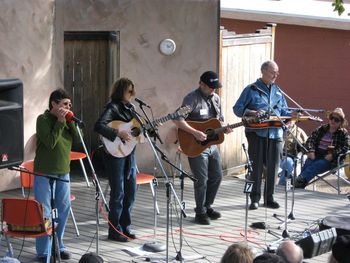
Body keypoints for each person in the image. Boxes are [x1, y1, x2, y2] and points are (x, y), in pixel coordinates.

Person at [174, 71, 232, 225]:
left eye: (215, 87)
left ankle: (207, 206)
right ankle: (199, 212)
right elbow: (177, 119)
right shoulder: (191, 99)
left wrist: (225, 128)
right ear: (201, 84)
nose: (213, 90)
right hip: (195, 144)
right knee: (201, 180)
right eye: (211, 87)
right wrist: (195, 132)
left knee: (217, 176)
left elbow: (219, 121)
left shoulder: (216, 99)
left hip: (211, 144)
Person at [233, 60, 290, 210]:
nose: (276, 75)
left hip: (276, 134)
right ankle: (255, 198)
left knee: (273, 167)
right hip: (257, 133)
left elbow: (285, 113)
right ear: (263, 71)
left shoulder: (278, 91)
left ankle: (269, 198)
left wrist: (293, 117)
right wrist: (252, 112)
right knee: (256, 168)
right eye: (273, 72)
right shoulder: (251, 89)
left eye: (277, 72)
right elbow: (237, 109)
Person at [34, 89, 79, 262]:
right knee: (44, 211)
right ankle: (43, 250)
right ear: (54, 104)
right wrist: (60, 122)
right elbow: (50, 142)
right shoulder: (43, 119)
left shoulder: (67, 121)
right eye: (65, 104)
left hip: (63, 171)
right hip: (44, 171)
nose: (68, 107)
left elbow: (77, 138)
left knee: (63, 207)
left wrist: (70, 122)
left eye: (69, 104)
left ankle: (58, 244)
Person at [94, 77, 137, 242]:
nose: (132, 94)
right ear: (121, 91)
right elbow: (98, 125)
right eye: (129, 91)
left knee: (131, 191)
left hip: (129, 154)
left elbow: (134, 131)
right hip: (114, 156)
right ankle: (114, 230)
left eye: (133, 91)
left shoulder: (131, 108)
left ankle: (126, 227)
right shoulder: (112, 107)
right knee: (118, 192)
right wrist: (118, 133)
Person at [295, 108, 349, 188]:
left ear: (340, 122)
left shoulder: (343, 133)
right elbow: (311, 140)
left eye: (336, 120)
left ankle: (298, 182)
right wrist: (311, 151)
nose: (333, 121)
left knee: (317, 165)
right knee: (309, 162)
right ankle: (299, 184)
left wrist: (333, 155)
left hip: (330, 159)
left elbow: (346, 147)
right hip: (316, 154)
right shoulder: (322, 128)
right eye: (331, 118)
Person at [278, 120, 308, 186]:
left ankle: (281, 186)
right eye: (287, 120)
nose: (289, 121)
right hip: (276, 155)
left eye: (291, 120)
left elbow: (307, 146)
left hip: (291, 157)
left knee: (288, 163)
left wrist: (300, 147)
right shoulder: (278, 129)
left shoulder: (299, 131)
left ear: (294, 121)